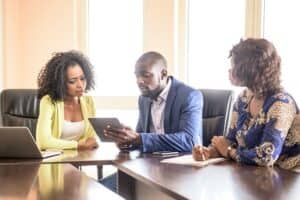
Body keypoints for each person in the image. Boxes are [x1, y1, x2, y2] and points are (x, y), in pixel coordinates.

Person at [193, 38, 300, 170]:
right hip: (258, 175)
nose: (229, 71)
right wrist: (210, 152)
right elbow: (231, 140)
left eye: (233, 66)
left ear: (250, 69)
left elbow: (266, 157)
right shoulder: (244, 97)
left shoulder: (281, 104)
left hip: (289, 177)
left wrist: (228, 151)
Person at [104, 51, 203, 153]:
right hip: (152, 163)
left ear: (163, 74)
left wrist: (140, 139)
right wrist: (127, 140)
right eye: (137, 76)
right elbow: (141, 138)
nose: (139, 81)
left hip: (182, 165)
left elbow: (189, 141)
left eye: (145, 75)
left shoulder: (189, 96)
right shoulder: (144, 99)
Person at [36, 50, 99, 150]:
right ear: (60, 82)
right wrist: (77, 145)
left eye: (82, 79)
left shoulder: (88, 101)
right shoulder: (49, 101)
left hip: (79, 160)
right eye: (72, 81)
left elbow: (90, 139)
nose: (80, 85)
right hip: (54, 162)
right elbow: (43, 142)